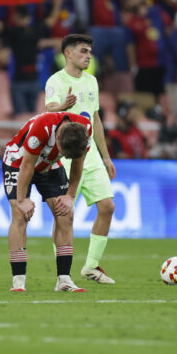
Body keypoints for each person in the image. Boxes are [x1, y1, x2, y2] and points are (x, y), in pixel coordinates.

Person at [45, 34, 116, 284]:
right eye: (84, 51)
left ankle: (91, 267)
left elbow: (95, 120)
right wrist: (62, 106)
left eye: (90, 52)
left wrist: (106, 157)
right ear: (68, 53)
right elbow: (49, 111)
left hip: (92, 154)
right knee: (65, 215)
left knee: (107, 207)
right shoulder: (56, 80)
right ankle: (63, 275)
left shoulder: (92, 81)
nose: (88, 56)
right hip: (65, 156)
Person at [3, 110, 91, 293]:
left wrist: (70, 196)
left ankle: (64, 280)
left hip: (50, 166)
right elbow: (27, 166)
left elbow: (77, 164)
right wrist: (22, 199)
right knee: (20, 215)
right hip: (18, 162)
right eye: (63, 152)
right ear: (57, 137)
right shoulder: (42, 128)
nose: (66, 157)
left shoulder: (85, 131)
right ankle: (18, 281)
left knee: (66, 213)